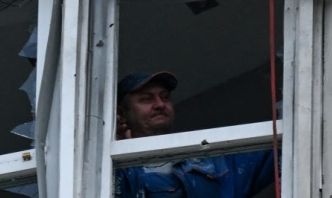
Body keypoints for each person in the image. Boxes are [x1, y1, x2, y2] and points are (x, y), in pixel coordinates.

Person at [115, 71, 275, 198]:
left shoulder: (216, 166)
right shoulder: (114, 170)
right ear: (121, 114)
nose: (160, 104)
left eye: (165, 97)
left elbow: (280, 149)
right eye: (146, 99)